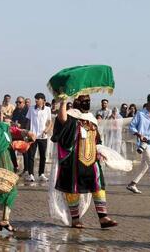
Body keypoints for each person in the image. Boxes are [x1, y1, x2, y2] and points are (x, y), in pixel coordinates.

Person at [50, 95, 117, 228]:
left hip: (92, 160)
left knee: (98, 186)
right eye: (84, 102)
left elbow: (97, 140)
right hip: (73, 160)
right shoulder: (71, 115)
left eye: (89, 101)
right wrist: (63, 102)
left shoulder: (92, 119)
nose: (87, 104)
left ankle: (103, 217)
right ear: (77, 102)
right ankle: (75, 219)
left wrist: (100, 152)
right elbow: (62, 119)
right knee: (72, 189)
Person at [0, 101, 35, 235]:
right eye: (0, 112)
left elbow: (11, 131)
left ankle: (5, 221)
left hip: (6, 162)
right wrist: (14, 144)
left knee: (11, 190)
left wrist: (25, 134)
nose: (2, 115)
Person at [26, 93, 52, 182]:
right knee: (31, 156)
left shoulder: (48, 109)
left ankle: (41, 174)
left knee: (43, 156)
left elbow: (49, 122)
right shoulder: (31, 108)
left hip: (43, 136)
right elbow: (28, 122)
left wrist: (46, 130)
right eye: (36, 99)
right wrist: (27, 132)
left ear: (43, 100)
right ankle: (31, 174)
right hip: (32, 136)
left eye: (38, 99)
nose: (36, 100)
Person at [12, 96, 29, 175]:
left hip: (24, 133)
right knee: (11, 149)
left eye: (20, 102)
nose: (18, 104)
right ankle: (15, 166)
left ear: (24, 103)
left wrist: (21, 125)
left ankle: (26, 169)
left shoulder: (27, 111)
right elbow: (13, 120)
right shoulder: (15, 111)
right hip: (15, 133)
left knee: (24, 151)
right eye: (16, 102)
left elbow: (29, 123)